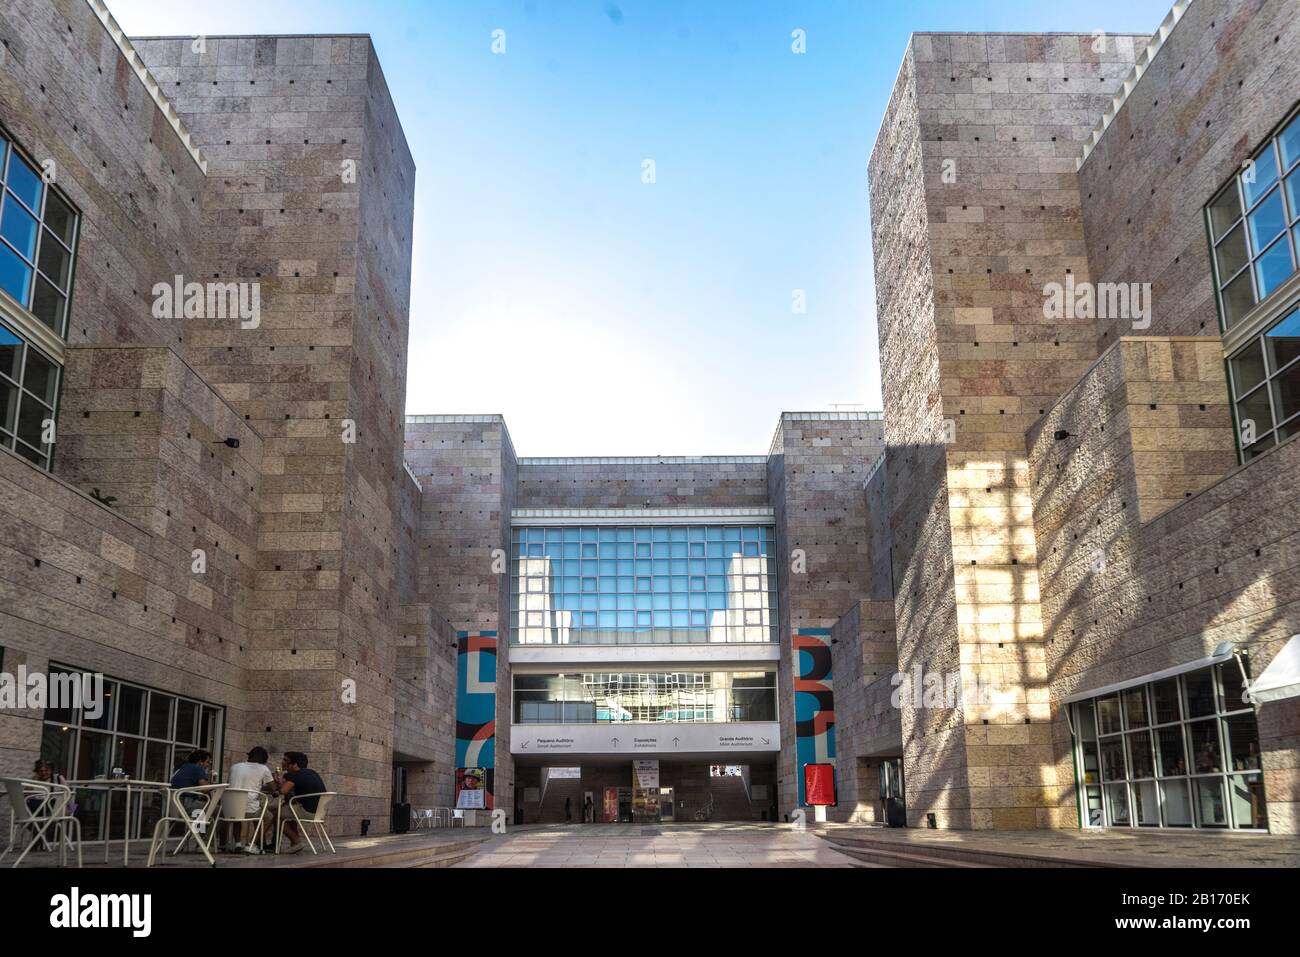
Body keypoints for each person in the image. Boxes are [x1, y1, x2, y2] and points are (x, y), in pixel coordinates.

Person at [223, 746, 275, 853]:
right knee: (269, 817)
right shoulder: (264, 769)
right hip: (250, 809)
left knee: (237, 815)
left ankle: (237, 844)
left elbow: (232, 785)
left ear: (249, 755)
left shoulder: (235, 766)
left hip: (230, 808)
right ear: (264, 759)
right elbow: (273, 788)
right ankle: (251, 844)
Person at [277, 751, 326, 853]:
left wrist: (279, 779)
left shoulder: (294, 775)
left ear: (294, 764)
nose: (282, 762)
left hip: (308, 812)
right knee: (288, 811)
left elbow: (282, 791)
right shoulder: (312, 772)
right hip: (319, 813)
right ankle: (293, 843)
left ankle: (296, 841)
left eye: (285, 760)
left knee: (276, 814)